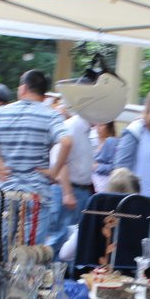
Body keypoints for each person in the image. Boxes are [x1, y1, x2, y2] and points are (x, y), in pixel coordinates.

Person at [0, 70, 68, 246]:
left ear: (23, 88)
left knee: (5, 250)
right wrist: (54, 172)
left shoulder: (0, 113)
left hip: (7, 193)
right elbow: (67, 141)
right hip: (36, 194)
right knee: (29, 254)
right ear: (44, 94)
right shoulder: (51, 115)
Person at [45, 104, 94, 252]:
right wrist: (67, 192)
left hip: (78, 191)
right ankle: (50, 273)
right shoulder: (73, 126)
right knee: (59, 238)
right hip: (70, 190)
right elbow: (59, 160)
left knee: (68, 239)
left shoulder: (83, 129)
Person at [91, 121, 118, 193]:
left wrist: (97, 167)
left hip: (104, 184)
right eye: (97, 125)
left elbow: (114, 167)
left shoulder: (111, 141)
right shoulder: (96, 141)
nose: (98, 128)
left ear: (109, 127)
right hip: (96, 184)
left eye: (102, 125)